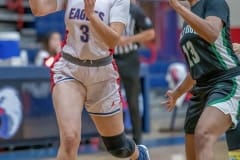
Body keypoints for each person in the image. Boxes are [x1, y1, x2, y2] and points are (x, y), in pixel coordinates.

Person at [28, 0, 150, 160]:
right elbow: (39, 9)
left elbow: (113, 40)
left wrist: (91, 15)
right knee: (70, 139)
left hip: (102, 73)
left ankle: (138, 154)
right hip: (70, 68)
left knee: (118, 147)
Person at [163, 0, 240, 160]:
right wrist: (177, 93)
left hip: (226, 80)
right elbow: (197, 69)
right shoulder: (190, 15)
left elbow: (212, 33)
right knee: (193, 153)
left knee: (204, 135)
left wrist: (178, 8)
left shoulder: (213, 3)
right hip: (201, 89)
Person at [113, 0, 155, 144]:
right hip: (111, 58)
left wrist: (128, 39)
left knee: (133, 101)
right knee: (111, 101)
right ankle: (114, 139)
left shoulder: (135, 10)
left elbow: (150, 33)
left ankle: (138, 140)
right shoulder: (106, 8)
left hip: (130, 58)